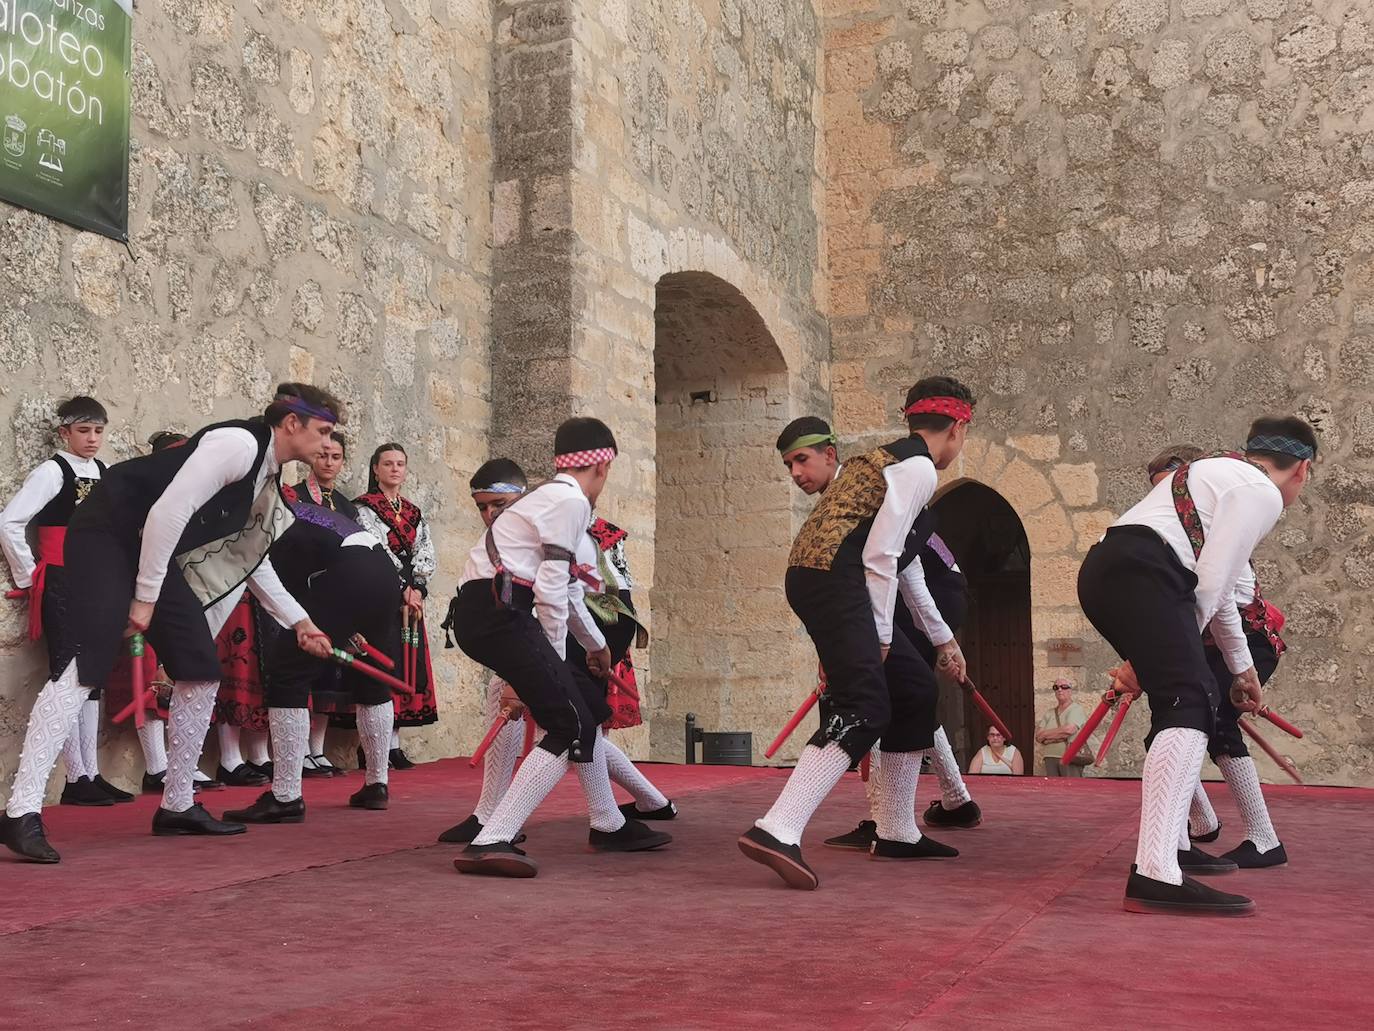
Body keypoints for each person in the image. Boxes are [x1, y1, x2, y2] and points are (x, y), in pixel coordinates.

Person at [0, 384, 338, 863]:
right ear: (291, 424)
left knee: (199, 669)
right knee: (85, 663)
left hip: (150, 549)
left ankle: (178, 803)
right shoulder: (238, 445)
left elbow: (250, 559)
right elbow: (168, 511)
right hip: (106, 533)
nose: (328, 444)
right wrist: (144, 598)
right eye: (323, 431)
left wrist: (300, 621)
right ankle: (21, 810)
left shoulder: (267, 474)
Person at [738, 378, 975, 891]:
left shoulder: (890, 462)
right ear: (958, 428)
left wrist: (942, 641)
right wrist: (883, 634)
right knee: (864, 705)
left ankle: (897, 831)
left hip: (820, 578)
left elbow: (905, 564)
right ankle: (777, 828)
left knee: (914, 690)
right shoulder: (916, 470)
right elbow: (881, 557)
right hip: (835, 580)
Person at [1077, 416, 1316, 914]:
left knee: (1185, 703)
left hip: (1104, 570)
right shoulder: (1262, 493)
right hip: (1148, 572)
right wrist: (1163, 654)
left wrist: (1241, 666)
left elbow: (1219, 586)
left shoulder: (1215, 472)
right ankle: (1158, 872)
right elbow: (1210, 584)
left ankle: (1168, 856)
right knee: (1191, 702)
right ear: (1303, 470)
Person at [449, 418, 671, 878]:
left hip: (489, 612)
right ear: (603, 464)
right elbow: (551, 591)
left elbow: (568, 589)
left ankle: (609, 824)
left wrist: (594, 647)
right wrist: (554, 661)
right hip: (498, 613)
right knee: (570, 721)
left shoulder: (552, 498)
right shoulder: (569, 501)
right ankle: (491, 839)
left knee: (582, 713)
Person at [1143, 446, 1290, 870]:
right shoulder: (1176, 536)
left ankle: (1264, 838)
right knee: (1166, 732)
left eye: (1174, 493)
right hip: (1206, 639)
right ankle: (1199, 823)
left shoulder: (1222, 536)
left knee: (1218, 723)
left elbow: (1220, 599)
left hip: (1247, 639)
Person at [223, 491, 403, 822]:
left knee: (289, 672)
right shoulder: (301, 510)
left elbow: (284, 590)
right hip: (384, 573)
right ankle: (378, 784)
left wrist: (315, 626)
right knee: (370, 676)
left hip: (346, 575)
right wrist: (344, 625)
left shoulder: (262, 522)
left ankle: (285, 796)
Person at [0, 397, 129, 807]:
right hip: (62, 577)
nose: (92, 439)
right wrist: (28, 573)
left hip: (98, 579)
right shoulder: (52, 471)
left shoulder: (106, 472)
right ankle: (75, 776)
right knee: (68, 670)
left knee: (92, 674)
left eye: (98, 431)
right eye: (83, 431)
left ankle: (88, 771)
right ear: (64, 433)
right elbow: (10, 521)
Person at [353, 444, 438, 767]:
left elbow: (424, 549)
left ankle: (393, 743)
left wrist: (417, 586)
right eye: (387, 463)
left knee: (406, 663)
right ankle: (373, 745)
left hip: (409, 596)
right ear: (375, 469)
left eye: (400, 463)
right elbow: (375, 546)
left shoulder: (414, 512)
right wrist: (402, 585)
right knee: (384, 663)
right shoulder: (364, 508)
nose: (394, 469)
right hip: (380, 591)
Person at [291, 431, 357, 777]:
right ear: (311, 458)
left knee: (329, 676)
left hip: (336, 595)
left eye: (335, 457)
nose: (328, 463)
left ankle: (316, 750)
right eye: (323, 456)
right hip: (303, 593)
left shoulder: (347, 506)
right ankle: (298, 751)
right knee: (301, 673)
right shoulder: (295, 497)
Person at [1035, 678, 1090, 777]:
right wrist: (1060, 735)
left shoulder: (1076, 709)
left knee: (1070, 789)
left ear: (1070, 691)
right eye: (1056, 687)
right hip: (1049, 757)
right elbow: (1038, 736)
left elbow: (1069, 730)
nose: (1059, 690)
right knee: (1053, 790)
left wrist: (1046, 736)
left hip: (1070, 757)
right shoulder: (1049, 712)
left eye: (1064, 687)